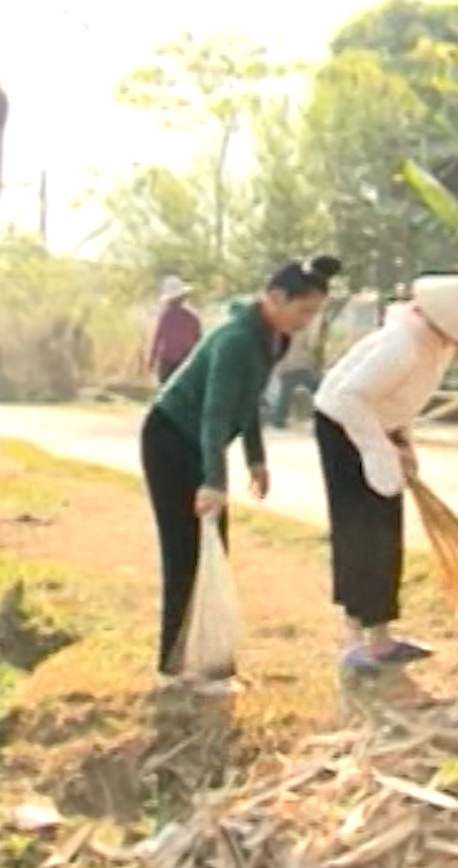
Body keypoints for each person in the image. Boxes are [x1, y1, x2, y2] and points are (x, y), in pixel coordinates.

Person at [141, 255, 342, 687]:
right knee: (185, 552)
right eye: (303, 310)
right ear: (274, 298)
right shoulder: (236, 340)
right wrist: (213, 482)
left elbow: (246, 400)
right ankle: (172, 670)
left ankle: (206, 662)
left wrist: (256, 458)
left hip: (198, 441)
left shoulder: (272, 339)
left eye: (314, 312)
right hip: (170, 440)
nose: (307, 321)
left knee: (213, 548)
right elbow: (214, 414)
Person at [313, 273, 458, 671]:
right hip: (342, 427)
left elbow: (399, 401)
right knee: (359, 529)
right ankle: (353, 641)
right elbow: (349, 398)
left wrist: (402, 442)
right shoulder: (402, 344)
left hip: (378, 427)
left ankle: (381, 638)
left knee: (386, 530)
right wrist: (378, 449)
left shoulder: (436, 346)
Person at [268, 305, 325, 428]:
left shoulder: (282, 328)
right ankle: (327, 415)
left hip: (285, 366)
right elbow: (311, 345)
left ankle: (278, 419)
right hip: (300, 365)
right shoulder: (302, 329)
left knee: (285, 393)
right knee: (320, 388)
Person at [145, 275, 202, 384]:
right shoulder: (192, 318)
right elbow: (198, 341)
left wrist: (151, 361)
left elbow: (158, 339)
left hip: (169, 362)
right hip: (185, 362)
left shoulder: (166, 316)